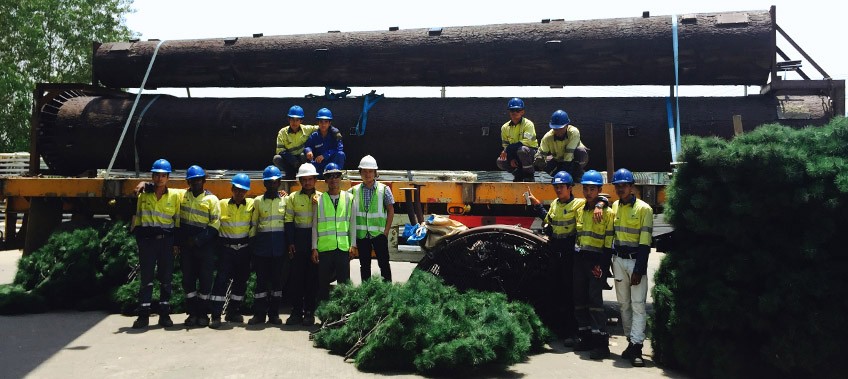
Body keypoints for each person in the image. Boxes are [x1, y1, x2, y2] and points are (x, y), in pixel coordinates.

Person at [526, 171, 585, 343]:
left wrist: (601, 203)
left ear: (570, 187)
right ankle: (559, 329)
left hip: (570, 251)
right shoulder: (555, 205)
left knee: (570, 292)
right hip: (556, 250)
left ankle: (573, 332)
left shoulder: (579, 205)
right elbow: (548, 220)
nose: (558, 190)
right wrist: (537, 205)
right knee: (555, 289)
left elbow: (597, 202)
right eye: (556, 187)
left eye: (561, 187)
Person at [609, 168, 653, 367]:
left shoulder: (645, 209)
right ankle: (630, 341)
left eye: (623, 185)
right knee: (624, 305)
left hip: (636, 261)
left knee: (638, 305)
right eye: (617, 186)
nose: (620, 189)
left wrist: (639, 269)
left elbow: (645, 243)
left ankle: (637, 347)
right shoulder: (615, 206)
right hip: (618, 260)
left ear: (631, 186)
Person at [131, 158, 182, 329]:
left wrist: (176, 243)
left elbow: (177, 221)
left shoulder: (174, 196)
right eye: (156, 175)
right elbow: (136, 217)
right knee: (146, 279)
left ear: (168, 178)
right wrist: (139, 239)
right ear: (152, 176)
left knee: (166, 279)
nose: (159, 179)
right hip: (147, 242)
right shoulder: (143, 194)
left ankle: (164, 315)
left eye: (163, 176)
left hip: (165, 242)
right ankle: (143, 316)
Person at [572, 170, 614, 359]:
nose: (588, 192)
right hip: (580, 260)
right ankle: (586, 336)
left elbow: (609, 244)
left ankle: (601, 344)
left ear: (599, 190)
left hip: (596, 262)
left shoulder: (607, 213)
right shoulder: (580, 209)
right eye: (586, 188)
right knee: (580, 298)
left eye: (592, 189)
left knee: (595, 301)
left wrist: (603, 267)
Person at [176, 165, 221, 328]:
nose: (195, 183)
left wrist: (198, 240)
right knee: (188, 280)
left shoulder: (212, 200)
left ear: (204, 181)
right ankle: (192, 313)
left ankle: (203, 314)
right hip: (187, 246)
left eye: (198, 180)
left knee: (205, 281)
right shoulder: (182, 196)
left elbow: (215, 224)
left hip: (205, 245)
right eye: (192, 181)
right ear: (188, 181)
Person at [209, 173, 254, 329]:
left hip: (244, 250)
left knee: (241, 281)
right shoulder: (221, 204)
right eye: (237, 189)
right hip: (226, 250)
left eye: (243, 191)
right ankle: (215, 315)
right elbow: (206, 195)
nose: (240, 193)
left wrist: (282, 194)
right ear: (232, 189)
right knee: (221, 282)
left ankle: (233, 311)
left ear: (247, 192)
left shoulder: (252, 205)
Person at [247, 165, 288, 326]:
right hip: (262, 249)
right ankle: (259, 315)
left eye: (274, 182)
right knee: (261, 283)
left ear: (279, 182)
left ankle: (274, 314)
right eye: (268, 182)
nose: (271, 185)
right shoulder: (257, 202)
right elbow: (254, 224)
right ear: (264, 184)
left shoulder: (286, 200)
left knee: (277, 282)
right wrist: (252, 245)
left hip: (279, 248)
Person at [311, 163, 356, 303]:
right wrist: (314, 247)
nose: (333, 179)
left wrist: (353, 244)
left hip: (343, 248)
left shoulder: (349, 198)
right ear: (325, 180)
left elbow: (353, 223)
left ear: (340, 178)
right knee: (323, 284)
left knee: (343, 285)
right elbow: (314, 226)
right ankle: (324, 312)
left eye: (336, 176)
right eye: (329, 176)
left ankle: (343, 313)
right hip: (325, 248)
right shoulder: (319, 200)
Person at [284, 163, 322, 326]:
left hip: (315, 240)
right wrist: (291, 242)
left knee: (312, 279)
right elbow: (289, 220)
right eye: (304, 180)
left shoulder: (322, 197)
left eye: (310, 179)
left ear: (315, 180)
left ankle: (309, 313)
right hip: (299, 238)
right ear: (299, 181)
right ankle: (296, 312)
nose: (307, 183)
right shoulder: (292, 197)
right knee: (296, 279)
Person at [349, 155, 395, 282]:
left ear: (375, 173)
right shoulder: (353, 191)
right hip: (362, 236)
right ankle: (367, 292)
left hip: (379, 234)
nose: (367, 174)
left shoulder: (384, 189)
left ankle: (387, 292)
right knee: (364, 265)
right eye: (364, 171)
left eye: (370, 171)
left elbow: (391, 210)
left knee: (384, 264)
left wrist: (386, 232)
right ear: (360, 173)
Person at [535, 109, 589, 182]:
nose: (558, 131)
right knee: (544, 162)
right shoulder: (547, 138)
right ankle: (557, 176)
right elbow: (541, 153)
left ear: (567, 125)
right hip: (558, 160)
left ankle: (577, 174)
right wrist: (539, 160)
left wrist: (566, 175)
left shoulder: (574, 132)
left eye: (560, 128)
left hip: (572, 160)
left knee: (581, 152)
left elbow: (568, 157)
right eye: (555, 128)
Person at [496, 97, 538, 182]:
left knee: (522, 150)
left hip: (530, 152)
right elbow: (505, 145)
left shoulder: (528, 124)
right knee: (500, 160)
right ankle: (518, 174)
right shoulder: (505, 127)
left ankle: (529, 175)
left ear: (522, 112)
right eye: (512, 110)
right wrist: (510, 158)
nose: (514, 112)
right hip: (514, 153)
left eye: (517, 110)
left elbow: (528, 141)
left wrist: (509, 149)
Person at [274, 105, 320, 180]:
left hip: (302, 159)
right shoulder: (282, 132)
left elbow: (322, 127)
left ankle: (304, 174)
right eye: (292, 119)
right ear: (289, 120)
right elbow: (279, 150)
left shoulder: (307, 129)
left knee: (303, 155)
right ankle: (290, 173)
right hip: (289, 160)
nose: (294, 122)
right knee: (277, 158)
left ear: (301, 121)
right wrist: (291, 159)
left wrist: (335, 131)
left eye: (297, 120)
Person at [304, 107, 346, 178]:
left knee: (341, 154)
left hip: (332, 161)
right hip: (320, 162)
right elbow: (308, 146)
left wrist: (325, 155)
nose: (323, 124)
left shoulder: (335, 133)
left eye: (326, 122)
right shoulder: (314, 135)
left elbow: (339, 148)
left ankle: (336, 175)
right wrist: (309, 151)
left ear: (330, 123)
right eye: (321, 122)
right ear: (318, 123)